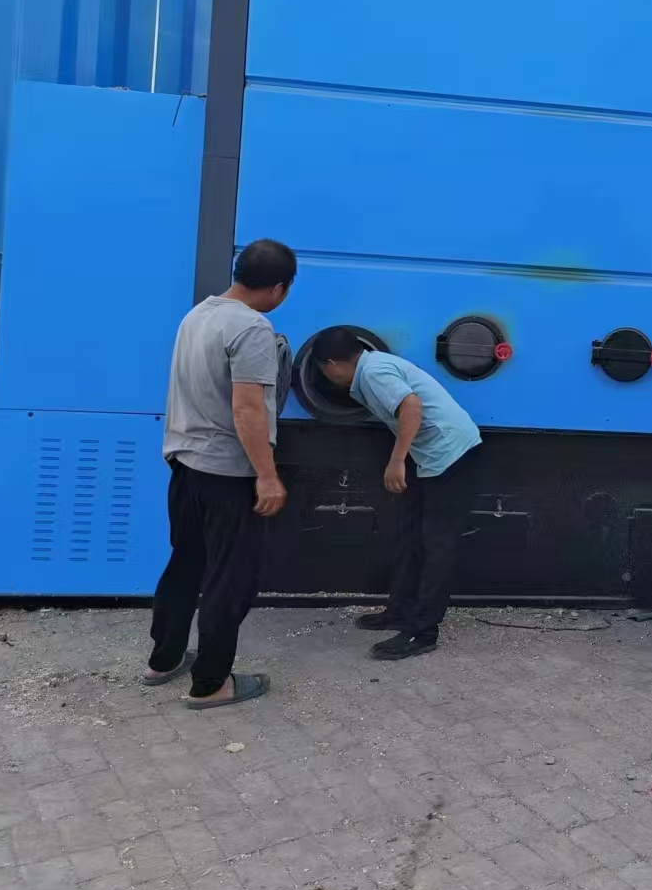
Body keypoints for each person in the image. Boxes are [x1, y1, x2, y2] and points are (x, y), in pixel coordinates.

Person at [144, 239, 297, 708]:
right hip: (227, 475)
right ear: (278, 288)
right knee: (230, 579)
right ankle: (211, 684)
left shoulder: (197, 315)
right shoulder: (252, 327)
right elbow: (248, 408)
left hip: (185, 465)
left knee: (185, 564)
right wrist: (267, 475)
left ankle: (164, 659)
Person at [311, 327, 482, 660]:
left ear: (331, 364)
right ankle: (401, 611)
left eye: (323, 372)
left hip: (453, 456)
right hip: (433, 457)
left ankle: (423, 632)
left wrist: (397, 460)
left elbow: (411, 406)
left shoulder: (373, 372)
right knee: (412, 535)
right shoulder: (373, 367)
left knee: (436, 545)